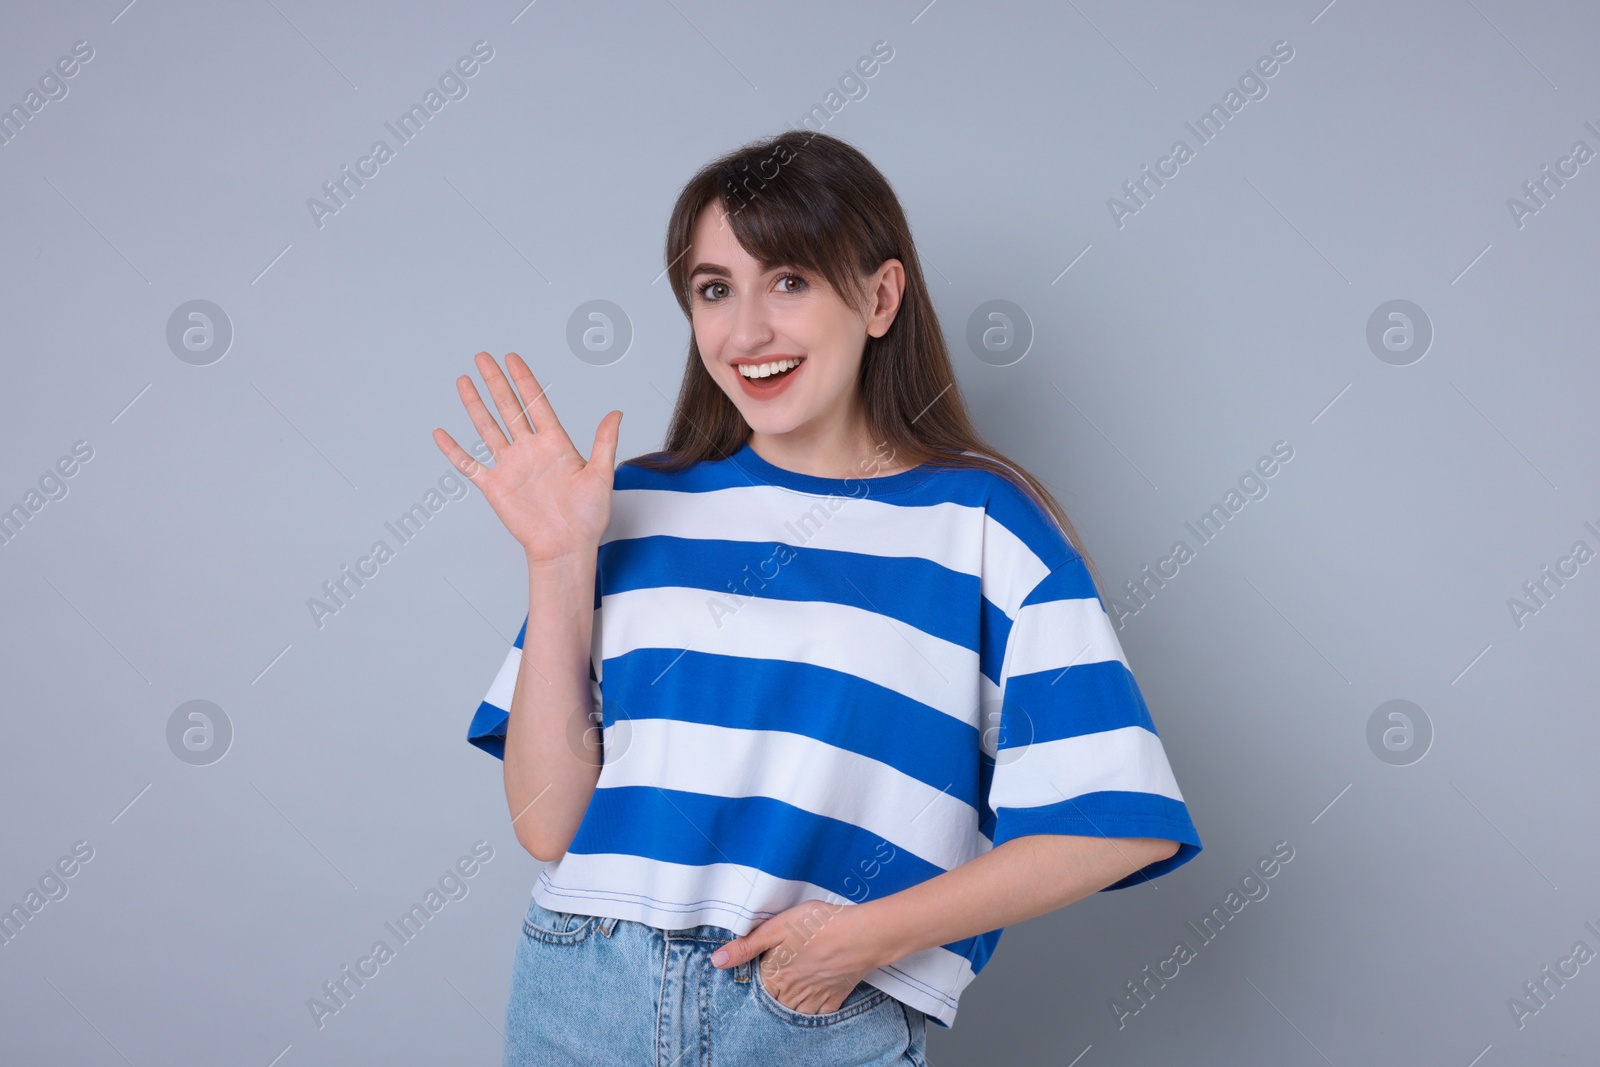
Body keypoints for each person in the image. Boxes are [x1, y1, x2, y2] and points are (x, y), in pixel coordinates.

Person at [433, 130, 1202, 1067]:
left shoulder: (986, 524)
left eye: (789, 280)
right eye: (716, 289)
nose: (747, 332)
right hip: (582, 996)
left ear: (879, 298)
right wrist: (557, 559)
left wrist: (859, 940)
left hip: (809, 1016)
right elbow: (548, 824)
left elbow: (1115, 822)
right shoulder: (627, 506)